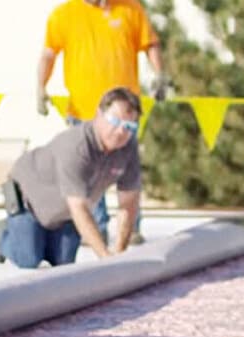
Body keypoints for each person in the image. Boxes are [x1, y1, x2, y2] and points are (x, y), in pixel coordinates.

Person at [36, 0, 169, 246]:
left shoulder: (130, 9)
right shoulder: (64, 14)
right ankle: (95, 228)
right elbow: (48, 54)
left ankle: (131, 228)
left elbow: (151, 44)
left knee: (127, 170)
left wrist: (160, 75)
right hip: (84, 111)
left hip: (125, 113)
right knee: (87, 173)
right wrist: (40, 87)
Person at [0, 88, 143, 268]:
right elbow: (79, 207)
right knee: (29, 259)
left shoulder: (128, 148)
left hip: (64, 214)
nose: (120, 131)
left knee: (63, 264)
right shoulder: (77, 146)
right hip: (28, 201)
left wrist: (119, 252)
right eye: (114, 121)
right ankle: (4, 239)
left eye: (129, 127)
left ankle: (38, 238)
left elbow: (128, 203)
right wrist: (105, 257)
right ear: (98, 115)